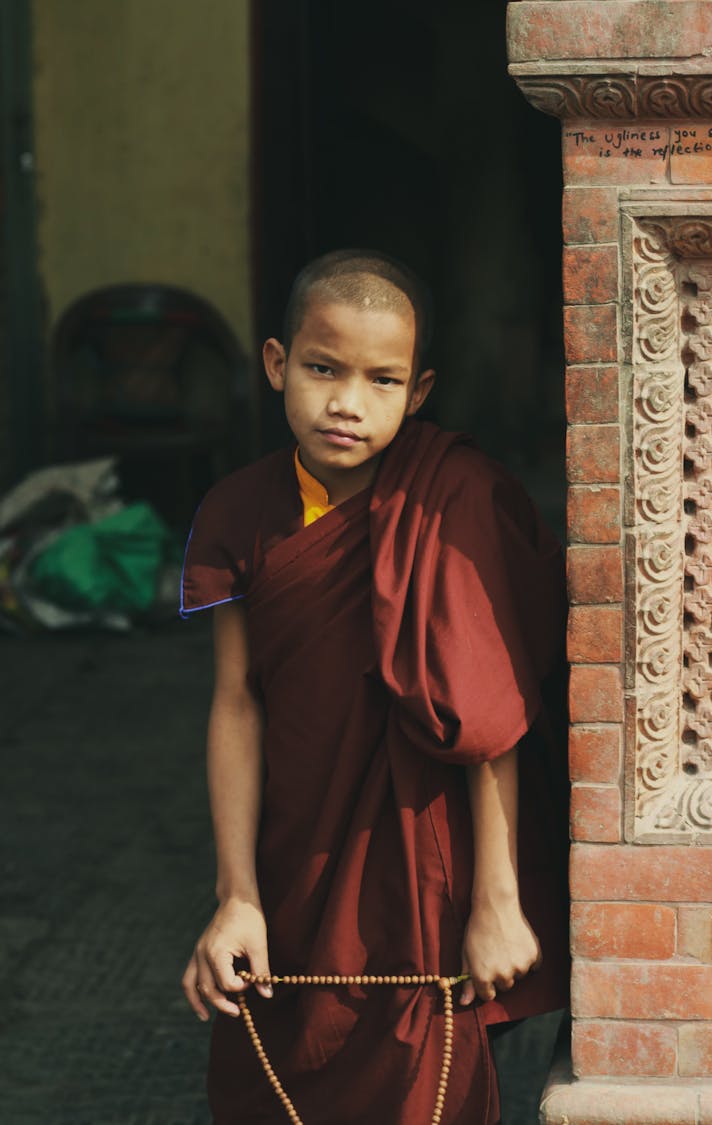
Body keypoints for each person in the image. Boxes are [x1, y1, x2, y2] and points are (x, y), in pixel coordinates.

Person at [180, 250, 569, 1124]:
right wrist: (236, 892)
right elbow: (236, 700)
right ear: (279, 363)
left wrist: (496, 903)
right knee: (283, 1062)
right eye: (323, 369)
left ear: (419, 390)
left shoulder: (453, 499)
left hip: (429, 849)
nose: (348, 402)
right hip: (296, 849)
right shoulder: (239, 510)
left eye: (381, 379)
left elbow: (485, 713)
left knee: (426, 1074)